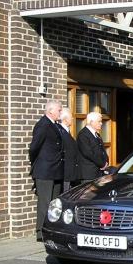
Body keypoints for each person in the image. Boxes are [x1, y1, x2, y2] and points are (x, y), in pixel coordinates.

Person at [29, 100, 64, 242]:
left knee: (53, 203)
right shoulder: (43, 124)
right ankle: (41, 231)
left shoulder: (54, 125)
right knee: (44, 202)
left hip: (55, 170)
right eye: (59, 110)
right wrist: (38, 164)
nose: (61, 113)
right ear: (50, 111)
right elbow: (33, 148)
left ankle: (51, 229)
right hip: (45, 170)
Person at [77, 111, 109, 182]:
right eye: (99, 121)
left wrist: (106, 161)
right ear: (91, 122)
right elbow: (88, 153)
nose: (101, 123)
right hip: (89, 174)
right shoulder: (83, 135)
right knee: (89, 193)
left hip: (98, 172)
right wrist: (102, 164)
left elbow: (102, 150)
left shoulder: (97, 135)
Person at [58, 107, 80, 191]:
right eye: (71, 117)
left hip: (70, 171)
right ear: (65, 119)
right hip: (65, 171)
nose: (73, 119)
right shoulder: (61, 131)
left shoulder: (67, 131)